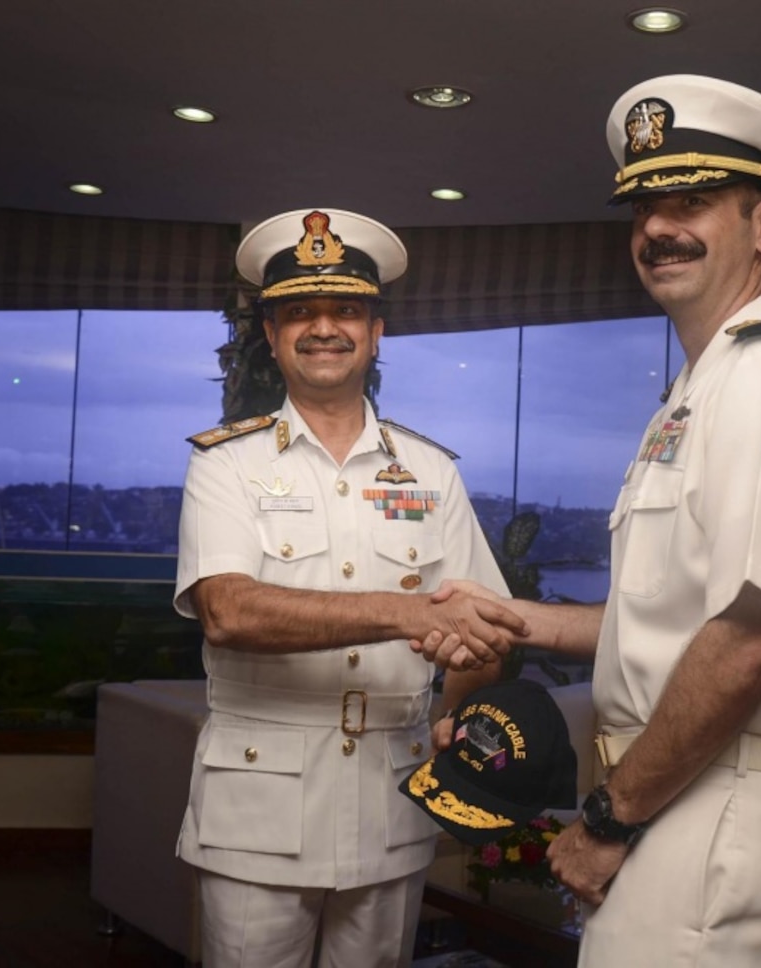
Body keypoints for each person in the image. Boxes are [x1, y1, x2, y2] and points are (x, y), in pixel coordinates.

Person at [418, 75, 761, 967]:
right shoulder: (701, 394)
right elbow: (676, 620)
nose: (660, 228)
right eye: (645, 208)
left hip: (712, 809)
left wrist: (607, 819)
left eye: (694, 202)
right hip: (687, 799)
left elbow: (749, 641)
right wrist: (513, 617)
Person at [172, 207, 526, 968]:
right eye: (299, 312)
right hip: (260, 804)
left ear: (375, 333)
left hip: (391, 793)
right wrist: (404, 614)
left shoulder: (432, 471)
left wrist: (457, 712)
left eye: (346, 311)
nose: (323, 327)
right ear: (270, 335)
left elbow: (486, 628)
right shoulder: (226, 464)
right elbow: (228, 612)